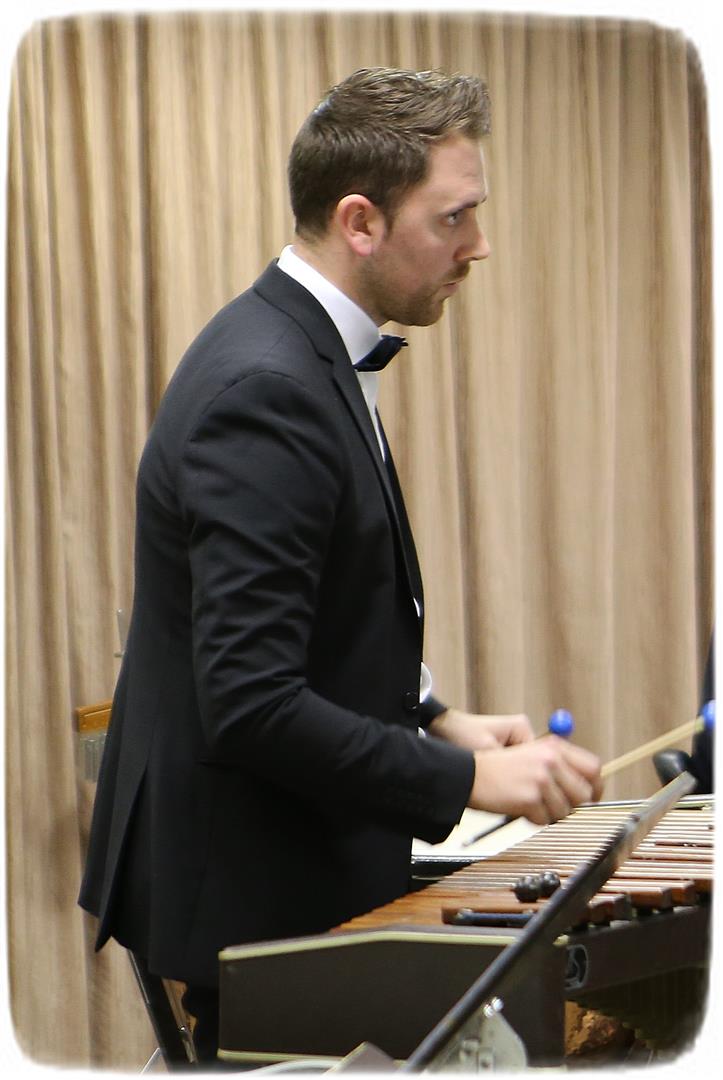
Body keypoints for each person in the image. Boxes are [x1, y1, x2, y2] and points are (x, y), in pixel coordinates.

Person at [79, 67, 602, 1063]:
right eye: (455, 218)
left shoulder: (299, 347)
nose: (478, 246)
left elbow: (318, 611)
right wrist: (469, 778)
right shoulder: (266, 385)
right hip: (259, 898)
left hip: (290, 864)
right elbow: (251, 701)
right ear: (360, 222)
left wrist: (433, 715)